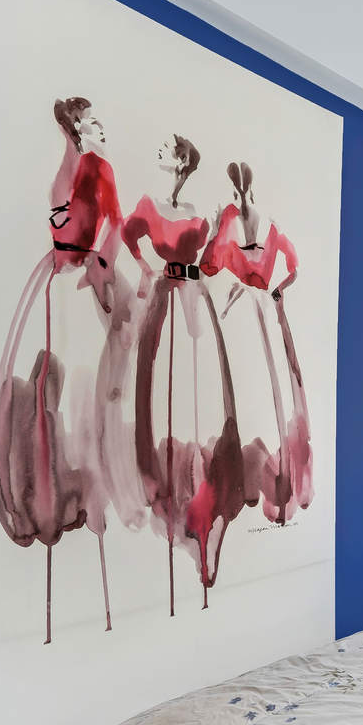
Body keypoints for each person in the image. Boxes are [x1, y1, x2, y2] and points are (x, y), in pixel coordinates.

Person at [0, 96, 131, 642]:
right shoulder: (72, 165)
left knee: (79, 406)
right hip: (57, 280)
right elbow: (67, 220)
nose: (100, 126)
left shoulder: (99, 168)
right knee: (50, 398)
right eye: (93, 120)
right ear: (77, 125)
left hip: (76, 282)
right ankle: (50, 501)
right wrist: (71, 239)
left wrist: (100, 266)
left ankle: (98, 561)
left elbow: (114, 226)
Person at [122, 135, 245, 613]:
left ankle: (204, 510)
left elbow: (208, 264)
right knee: (162, 392)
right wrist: (144, 269)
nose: (158, 154)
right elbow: (130, 236)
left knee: (200, 392)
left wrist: (214, 233)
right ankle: (173, 505)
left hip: (196, 300)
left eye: (165, 150)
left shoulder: (194, 210)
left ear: (180, 161)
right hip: (167, 299)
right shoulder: (149, 205)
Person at [203, 161, 314, 524]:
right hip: (258, 307)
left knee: (256, 387)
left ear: (238, 190)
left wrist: (216, 231)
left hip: (248, 310)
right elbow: (293, 266)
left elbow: (210, 266)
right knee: (266, 386)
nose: (237, 197)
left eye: (235, 190)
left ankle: (260, 478)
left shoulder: (235, 223)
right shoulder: (266, 224)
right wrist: (276, 291)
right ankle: (265, 477)